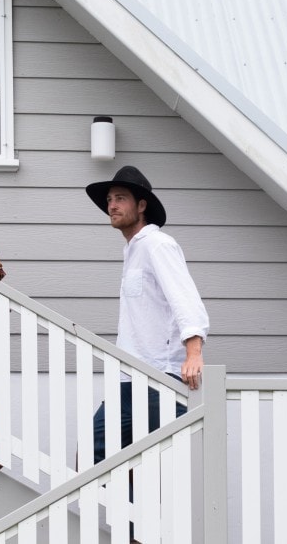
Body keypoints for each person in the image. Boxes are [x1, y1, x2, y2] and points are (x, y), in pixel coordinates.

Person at [85, 165, 209, 465]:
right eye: (110, 199)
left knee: (169, 465)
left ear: (141, 206)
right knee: (93, 456)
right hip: (129, 379)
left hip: (158, 378)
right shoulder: (133, 250)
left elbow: (185, 298)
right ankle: (128, 513)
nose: (112, 205)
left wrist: (194, 353)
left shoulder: (157, 244)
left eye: (121, 198)